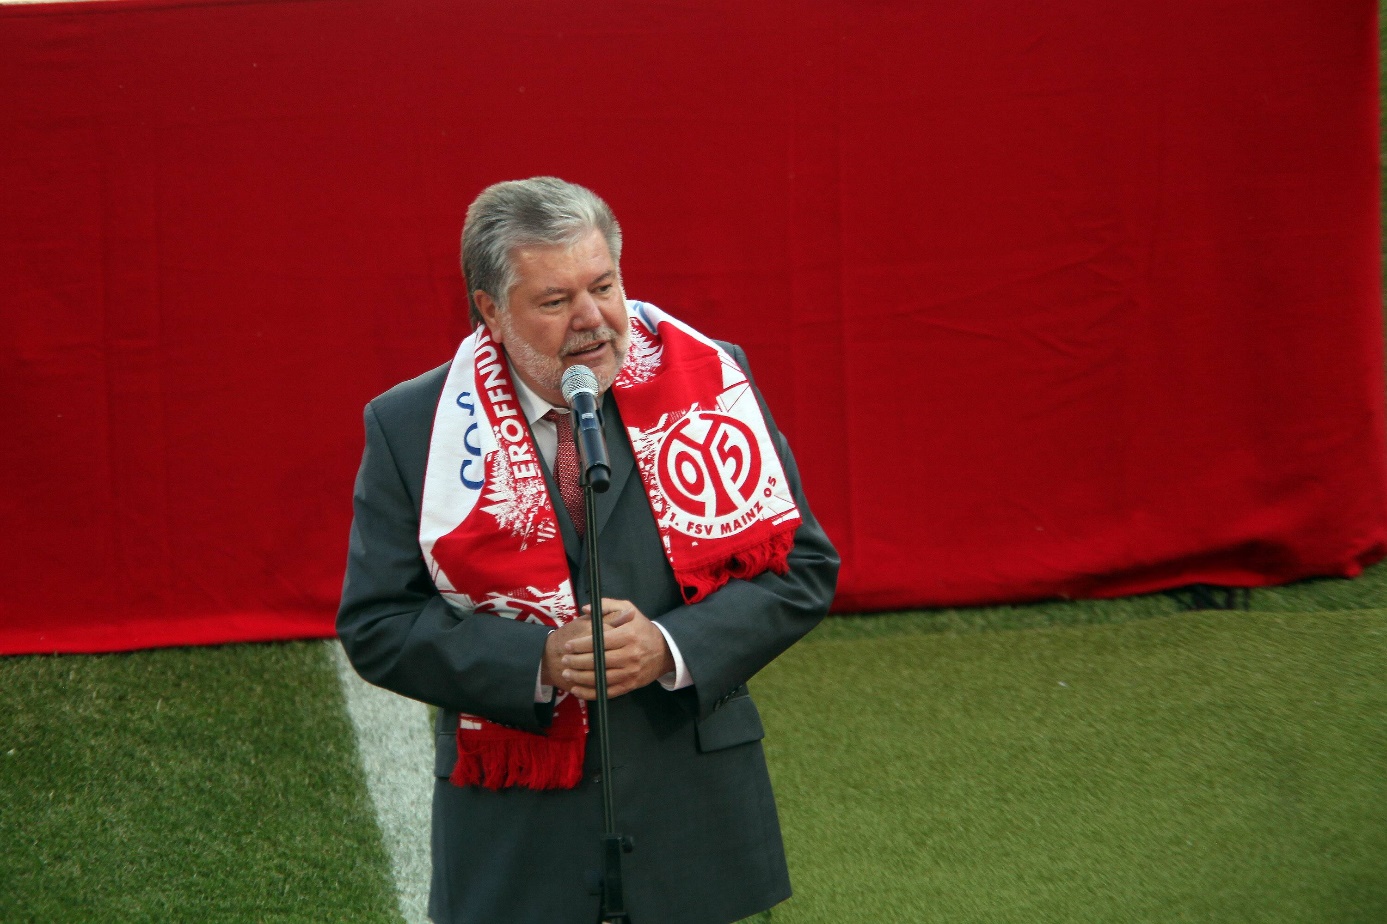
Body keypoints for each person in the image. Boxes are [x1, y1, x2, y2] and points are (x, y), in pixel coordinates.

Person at [337, 176, 838, 924]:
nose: (594, 321)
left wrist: (671, 645)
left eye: (604, 286)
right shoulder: (412, 426)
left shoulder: (712, 379)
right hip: (517, 836)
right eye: (553, 301)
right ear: (490, 310)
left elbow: (800, 568)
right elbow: (377, 625)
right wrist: (535, 662)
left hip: (695, 820)